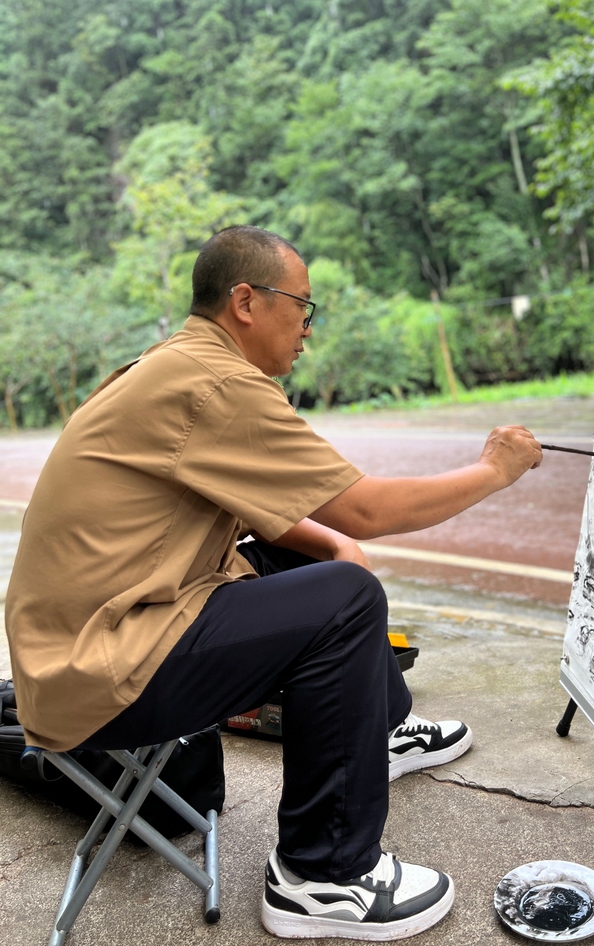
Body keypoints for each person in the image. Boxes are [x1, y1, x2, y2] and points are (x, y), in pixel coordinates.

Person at [5, 225, 543, 941]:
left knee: (327, 572)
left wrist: (332, 543)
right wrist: (496, 470)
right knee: (348, 602)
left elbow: (291, 516)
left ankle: (372, 736)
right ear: (247, 301)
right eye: (304, 308)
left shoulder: (177, 364)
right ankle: (322, 877)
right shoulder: (218, 385)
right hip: (102, 670)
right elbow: (368, 507)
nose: (308, 332)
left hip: (111, 628)